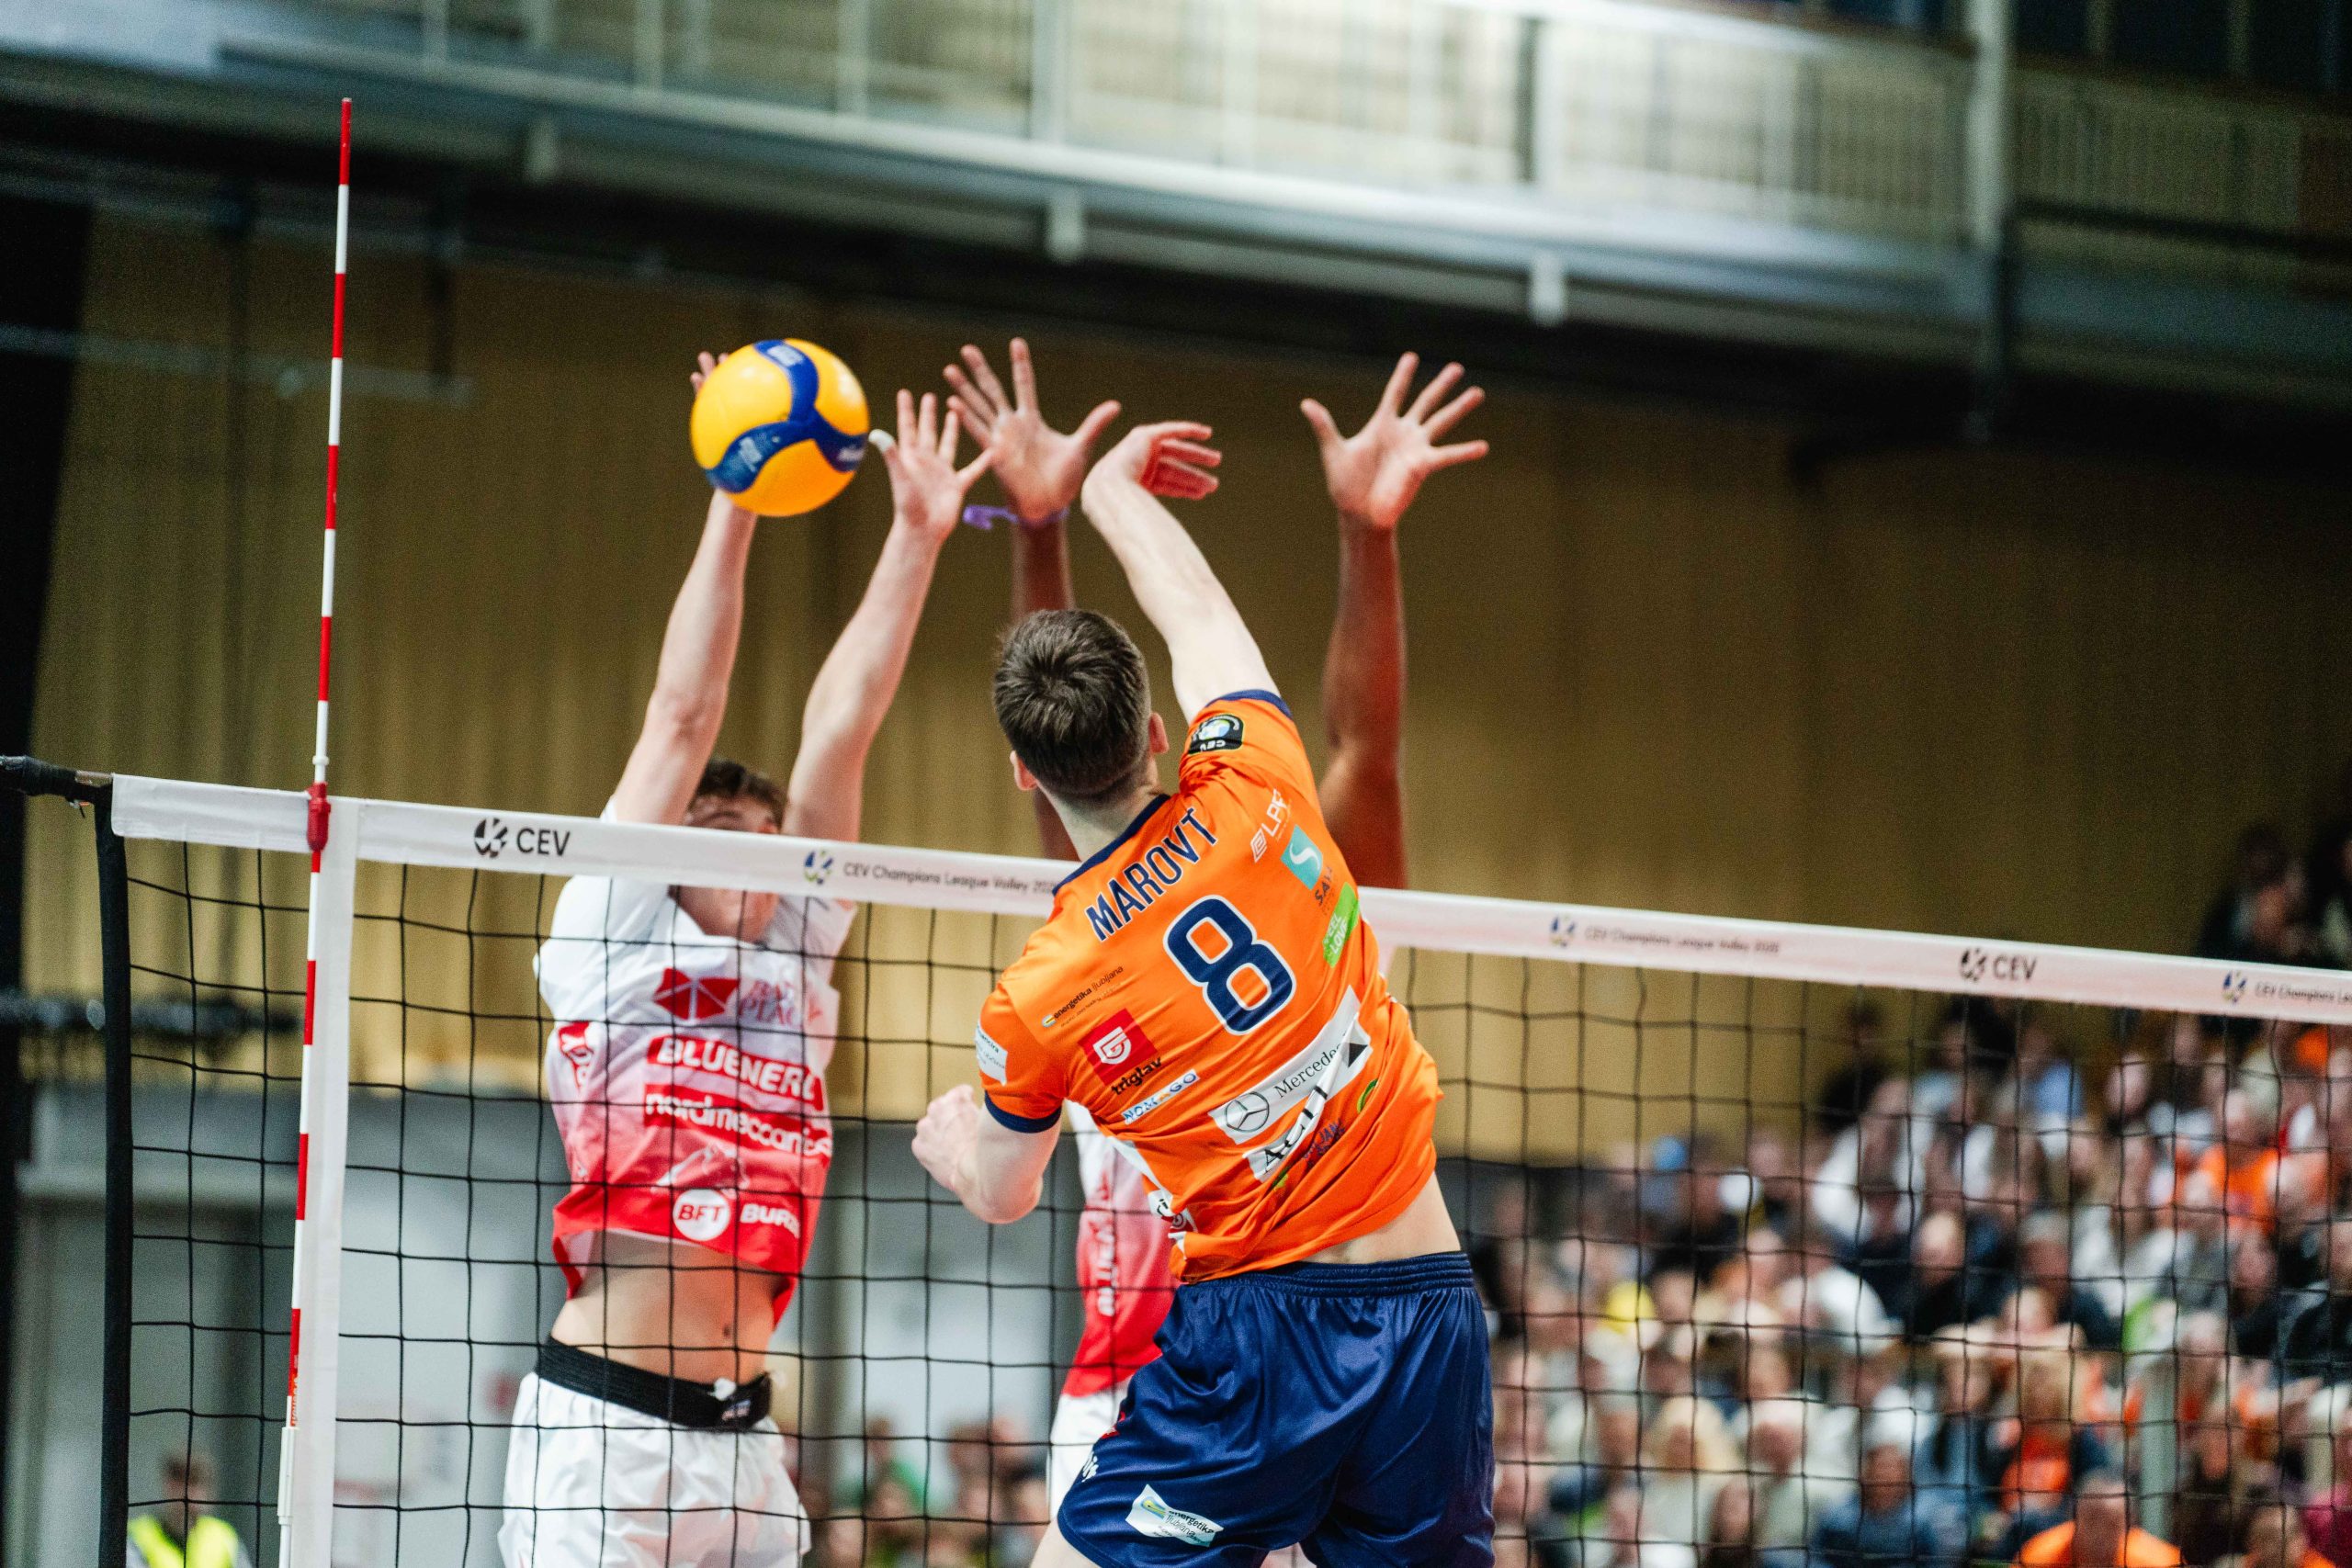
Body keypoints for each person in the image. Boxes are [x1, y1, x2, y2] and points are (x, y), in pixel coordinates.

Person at [910, 412, 1492, 1565]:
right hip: (1434, 1304)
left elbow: (1004, 1194)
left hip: (1264, 1343)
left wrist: (952, 1148)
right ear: (1157, 732)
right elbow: (1200, 615)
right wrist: (1114, 493)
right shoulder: (1254, 778)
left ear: (1022, 772)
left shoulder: (1043, 993)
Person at [500, 362, 993, 1568]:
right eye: (728, 834)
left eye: (774, 840)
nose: (762, 861)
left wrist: (918, 536)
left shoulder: (794, 950)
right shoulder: (613, 930)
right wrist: (738, 491)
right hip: (608, 1428)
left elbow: (843, 728)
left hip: (747, 1436)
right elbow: (683, 713)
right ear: (672, 849)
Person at [2012, 1472, 2177, 1568]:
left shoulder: (2160, 1562)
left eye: (2111, 1524)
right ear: (2075, 1516)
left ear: (2128, 1525)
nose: (2100, 1533)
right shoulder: (2038, 1558)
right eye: (2092, 1520)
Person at [128, 1451, 252, 1568]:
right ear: (167, 1485)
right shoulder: (137, 1536)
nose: (187, 1493)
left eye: (195, 1483)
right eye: (179, 1482)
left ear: (208, 1492)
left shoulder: (225, 1538)